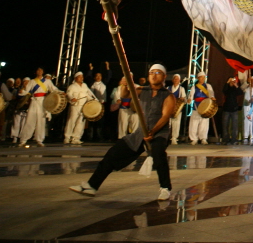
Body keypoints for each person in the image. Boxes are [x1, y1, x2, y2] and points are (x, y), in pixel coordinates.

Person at [69, 64, 176, 200]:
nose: (154, 75)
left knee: (158, 154)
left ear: (164, 76)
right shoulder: (142, 90)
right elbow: (125, 95)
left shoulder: (168, 96)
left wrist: (153, 132)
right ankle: (92, 185)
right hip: (141, 132)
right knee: (112, 154)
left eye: (158, 73)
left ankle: (165, 188)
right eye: (151, 72)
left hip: (159, 132)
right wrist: (125, 85)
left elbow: (165, 117)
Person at [19, 68, 59, 147]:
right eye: (38, 70)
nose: (39, 72)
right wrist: (22, 92)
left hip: (43, 102)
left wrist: (61, 92)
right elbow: (26, 90)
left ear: (43, 72)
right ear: (36, 72)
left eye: (41, 70)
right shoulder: (32, 81)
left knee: (41, 121)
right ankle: (23, 140)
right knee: (30, 120)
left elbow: (53, 89)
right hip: (34, 101)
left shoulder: (47, 81)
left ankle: (39, 140)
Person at [64, 72, 96, 145]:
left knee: (80, 123)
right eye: (80, 77)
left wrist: (94, 100)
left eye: (82, 77)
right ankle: (67, 137)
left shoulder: (84, 85)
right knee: (72, 121)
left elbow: (88, 94)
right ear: (76, 78)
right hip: (75, 106)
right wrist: (72, 98)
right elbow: (69, 94)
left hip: (83, 106)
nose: (81, 78)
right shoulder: (72, 86)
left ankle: (76, 138)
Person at [188, 73, 215, 145]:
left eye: (203, 77)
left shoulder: (208, 86)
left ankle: (203, 138)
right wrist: (190, 99)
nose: (202, 79)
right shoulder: (194, 87)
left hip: (205, 105)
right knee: (194, 123)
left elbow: (211, 93)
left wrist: (212, 97)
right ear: (198, 78)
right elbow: (191, 95)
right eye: (201, 77)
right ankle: (194, 139)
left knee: (204, 122)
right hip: (196, 106)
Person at [87, 72, 108, 142]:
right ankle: (90, 136)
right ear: (94, 77)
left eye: (100, 76)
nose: (98, 77)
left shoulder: (103, 84)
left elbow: (108, 76)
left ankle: (99, 136)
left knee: (100, 121)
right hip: (94, 104)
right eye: (97, 76)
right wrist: (90, 70)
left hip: (102, 104)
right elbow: (91, 94)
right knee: (92, 120)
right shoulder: (92, 85)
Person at [222, 76, 241, 145]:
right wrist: (227, 83)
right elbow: (224, 91)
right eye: (231, 81)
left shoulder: (235, 88)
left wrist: (236, 85)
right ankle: (225, 139)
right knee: (225, 125)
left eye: (233, 81)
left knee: (234, 125)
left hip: (234, 109)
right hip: (226, 108)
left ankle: (234, 139)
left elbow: (240, 92)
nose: (232, 82)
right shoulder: (227, 88)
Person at [167, 74, 186, 145]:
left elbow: (184, 99)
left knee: (176, 124)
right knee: (168, 124)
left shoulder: (181, 89)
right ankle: (166, 137)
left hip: (177, 109)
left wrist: (183, 98)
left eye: (177, 79)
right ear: (172, 80)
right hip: (169, 108)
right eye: (175, 79)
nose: (176, 80)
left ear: (179, 80)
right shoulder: (168, 88)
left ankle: (174, 138)